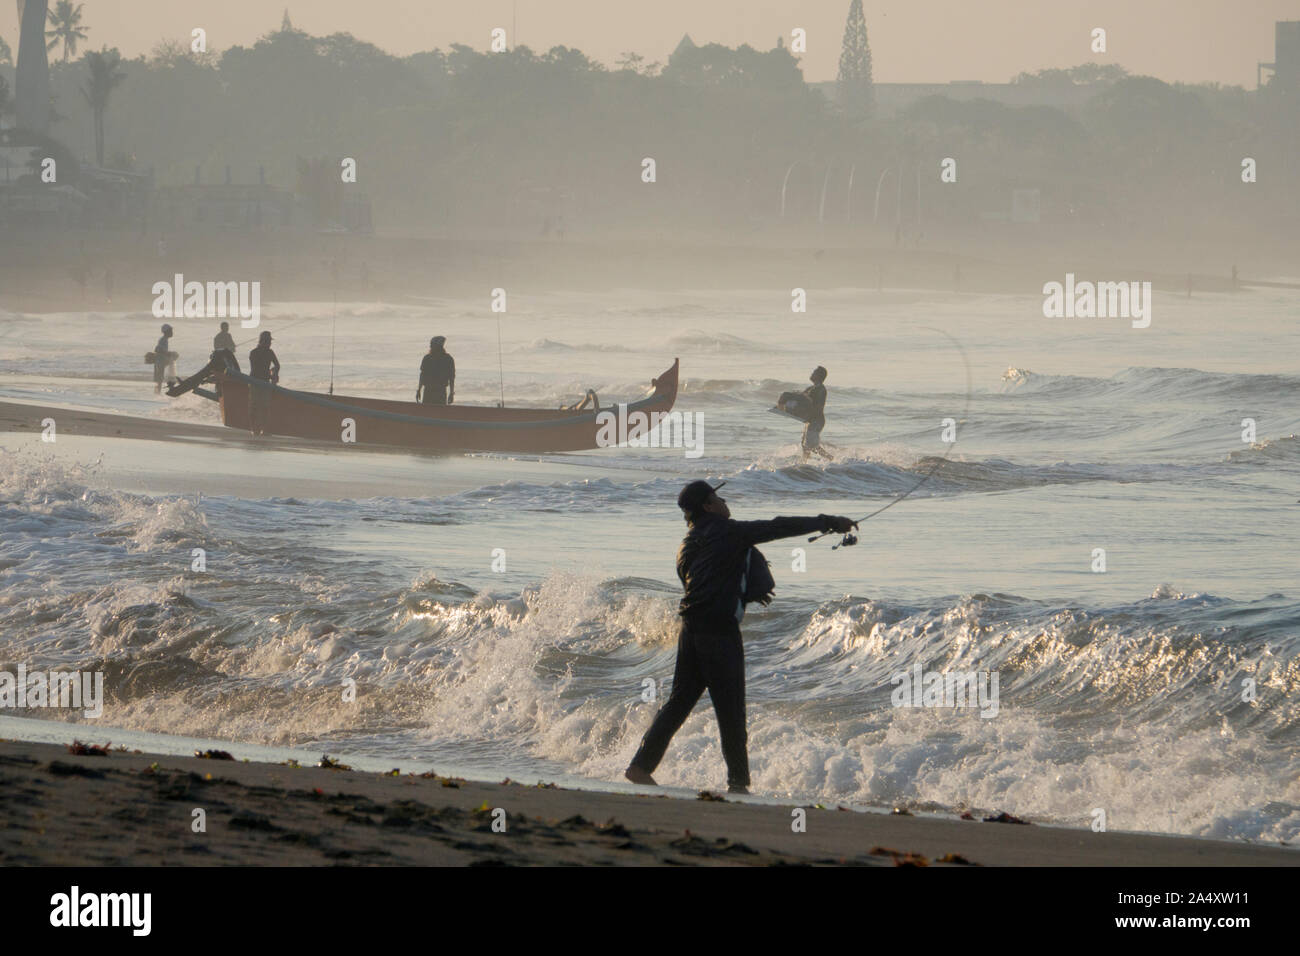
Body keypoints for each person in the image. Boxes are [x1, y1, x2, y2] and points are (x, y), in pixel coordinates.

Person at [625, 480, 857, 794]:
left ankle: (641, 767)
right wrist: (829, 522)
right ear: (708, 506)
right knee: (731, 707)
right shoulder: (729, 531)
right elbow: (777, 527)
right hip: (719, 632)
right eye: (717, 497)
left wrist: (744, 591)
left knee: (679, 702)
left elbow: (707, 580)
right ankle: (738, 783)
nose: (723, 501)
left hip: (690, 628)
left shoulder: (686, 544)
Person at [247, 330, 280, 436]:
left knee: (260, 406)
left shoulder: (258, 352)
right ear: (263, 341)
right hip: (258, 382)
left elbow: (277, 365)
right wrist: (272, 374)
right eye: (268, 341)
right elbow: (258, 369)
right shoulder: (259, 353)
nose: (270, 343)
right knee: (259, 406)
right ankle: (257, 429)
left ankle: (259, 429)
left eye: (270, 341)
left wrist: (273, 373)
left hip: (260, 381)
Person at [798, 366, 830, 460]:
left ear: (818, 376)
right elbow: (802, 397)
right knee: (804, 445)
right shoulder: (812, 388)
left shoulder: (820, 389)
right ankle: (804, 465)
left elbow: (817, 406)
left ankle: (831, 459)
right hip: (811, 421)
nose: (812, 373)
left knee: (812, 446)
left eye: (814, 372)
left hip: (817, 421)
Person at [416, 336, 455, 405]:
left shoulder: (427, 358)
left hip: (432, 391)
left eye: (431, 345)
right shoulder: (448, 359)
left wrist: (419, 389)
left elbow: (422, 375)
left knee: (428, 411)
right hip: (438, 391)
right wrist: (451, 393)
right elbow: (451, 378)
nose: (430, 347)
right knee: (439, 412)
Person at [152, 324, 176, 394]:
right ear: (166, 332)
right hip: (159, 361)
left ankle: (157, 393)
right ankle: (157, 393)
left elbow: (160, 349)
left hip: (160, 361)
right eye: (171, 331)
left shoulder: (164, 339)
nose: (172, 332)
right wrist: (168, 353)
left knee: (159, 378)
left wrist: (168, 353)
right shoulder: (163, 340)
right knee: (159, 379)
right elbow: (157, 349)